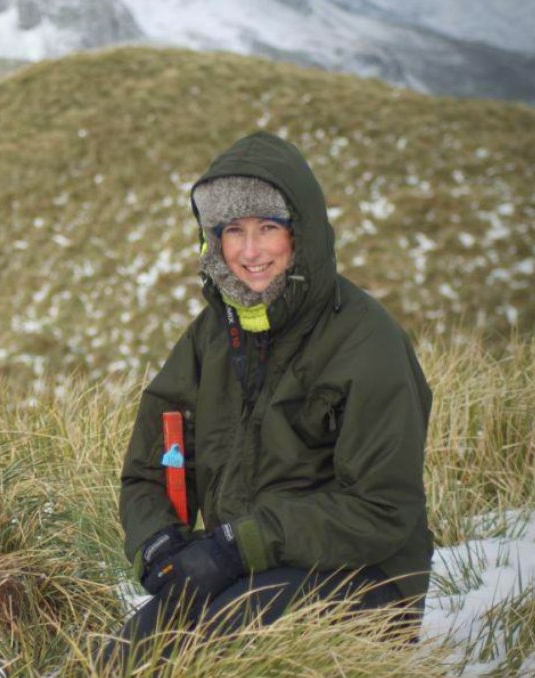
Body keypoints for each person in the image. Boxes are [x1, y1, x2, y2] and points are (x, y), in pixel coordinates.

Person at [106, 131, 433, 668]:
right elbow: (146, 470)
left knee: (217, 653)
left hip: (367, 583)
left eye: (268, 228)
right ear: (214, 240)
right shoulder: (209, 337)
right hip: (244, 569)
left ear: (299, 234)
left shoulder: (367, 341)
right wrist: (159, 543)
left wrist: (237, 545)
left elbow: (381, 509)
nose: (250, 251)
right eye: (233, 230)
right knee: (118, 658)